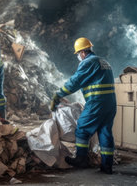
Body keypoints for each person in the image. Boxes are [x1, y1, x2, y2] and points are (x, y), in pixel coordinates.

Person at [50, 37, 116, 174]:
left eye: (78, 54)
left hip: (96, 102)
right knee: (105, 132)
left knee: (82, 128)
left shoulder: (88, 62)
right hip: (110, 104)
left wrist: (59, 94)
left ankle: (81, 160)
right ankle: (107, 166)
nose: (78, 57)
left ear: (83, 53)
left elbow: (75, 81)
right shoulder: (104, 62)